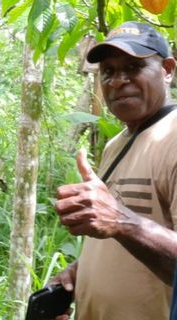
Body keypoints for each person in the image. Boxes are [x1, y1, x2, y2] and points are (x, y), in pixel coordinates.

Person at [50, 21, 177, 320]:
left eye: (133, 67)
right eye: (108, 71)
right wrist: (81, 273)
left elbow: (122, 224)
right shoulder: (116, 144)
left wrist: (122, 221)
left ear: (168, 70)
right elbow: (122, 242)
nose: (118, 81)